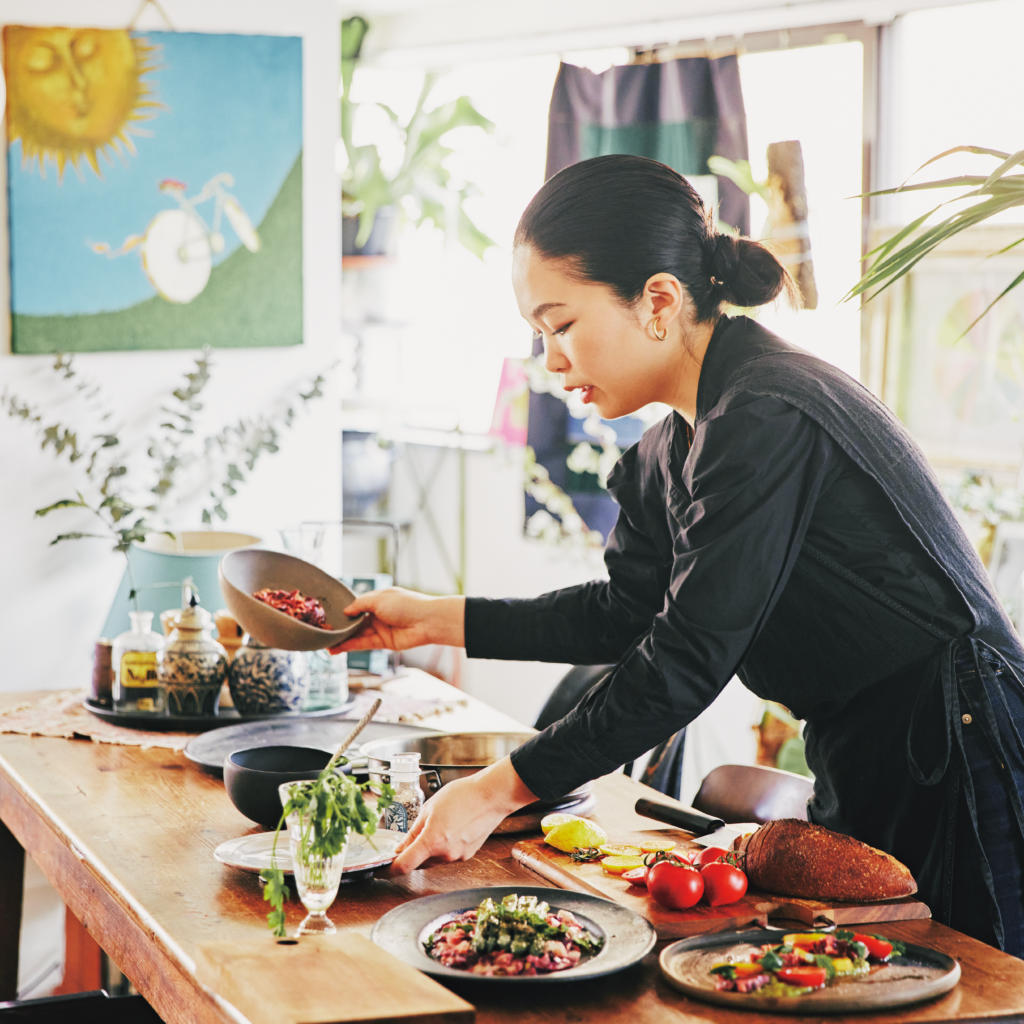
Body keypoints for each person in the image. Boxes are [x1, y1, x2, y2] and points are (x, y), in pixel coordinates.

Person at [336, 154, 1024, 957]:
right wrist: (431, 619)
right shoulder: (672, 446)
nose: (550, 361)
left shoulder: (765, 414)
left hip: (958, 737)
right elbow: (624, 615)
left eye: (561, 325)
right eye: (538, 334)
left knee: (978, 990)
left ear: (658, 300)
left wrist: (499, 788)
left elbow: (685, 658)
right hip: (864, 745)